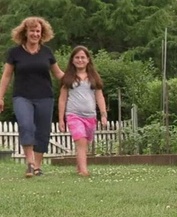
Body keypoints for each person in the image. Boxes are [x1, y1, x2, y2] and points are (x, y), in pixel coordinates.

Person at [0, 16, 64, 178]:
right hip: (22, 97)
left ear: (42, 34)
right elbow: (6, 76)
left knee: (43, 131)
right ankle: (30, 163)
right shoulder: (14, 53)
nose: (35, 34)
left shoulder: (47, 52)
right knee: (26, 125)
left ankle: (37, 166)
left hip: (45, 97)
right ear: (25, 32)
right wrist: (0, 97)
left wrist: (80, 78)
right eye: (32, 31)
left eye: (38, 31)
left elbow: (58, 74)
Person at [58, 45, 107, 177]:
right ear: (72, 60)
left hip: (90, 116)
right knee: (81, 140)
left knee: (86, 143)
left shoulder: (94, 78)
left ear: (88, 60)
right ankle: (84, 171)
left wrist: (103, 115)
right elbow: (62, 99)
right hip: (73, 115)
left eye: (83, 57)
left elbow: (99, 97)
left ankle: (80, 166)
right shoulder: (68, 78)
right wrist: (61, 119)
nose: (80, 60)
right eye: (77, 57)